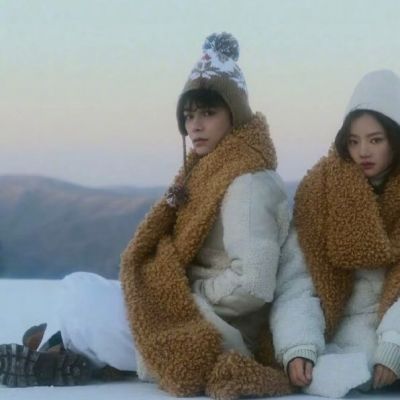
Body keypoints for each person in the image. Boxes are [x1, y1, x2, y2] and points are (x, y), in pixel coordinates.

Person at [1, 32, 294, 398]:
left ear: (235, 115)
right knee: (78, 287)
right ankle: (64, 346)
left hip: (209, 330)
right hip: (184, 312)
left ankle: (60, 349)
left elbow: (253, 283)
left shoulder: (247, 184)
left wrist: (179, 295)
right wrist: (164, 292)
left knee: (79, 298)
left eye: (208, 113)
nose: (195, 126)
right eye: (189, 116)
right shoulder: (211, 172)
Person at [270, 69, 400, 398]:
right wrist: (298, 346)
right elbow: (298, 281)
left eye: (375, 140)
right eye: (354, 141)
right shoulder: (320, 192)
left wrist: (395, 345)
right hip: (334, 333)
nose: (363, 151)